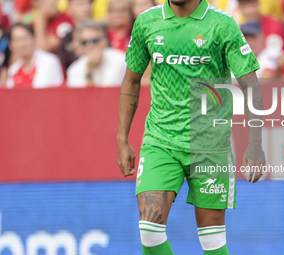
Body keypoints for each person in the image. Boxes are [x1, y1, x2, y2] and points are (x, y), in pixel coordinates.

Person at [117, 0, 266, 254]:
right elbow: (131, 80)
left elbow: (251, 86)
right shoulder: (147, 22)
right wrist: (122, 139)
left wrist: (255, 144)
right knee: (149, 231)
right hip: (160, 141)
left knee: (212, 239)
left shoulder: (221, 24)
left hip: (209, 145)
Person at [67, 20, 126, 87]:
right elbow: (80, 96)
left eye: (95, 41)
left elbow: (105, 94)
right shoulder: (74, 68)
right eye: (84, 42)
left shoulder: (119, 60)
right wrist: (89, 69)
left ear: (105, 40)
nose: (90, 46)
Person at [6, 23, 64, 88]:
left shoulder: (49, 61)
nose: (22, 44)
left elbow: (40, 91)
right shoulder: (13, 69)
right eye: (17, 40)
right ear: (11, 45)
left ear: (34, 39)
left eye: (26, 38)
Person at [58, 0, 93, 70]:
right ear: (69, 8)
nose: (86, 8)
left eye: (89, 3)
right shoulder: (67, 38)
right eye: (79, 4)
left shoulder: (102, 32)